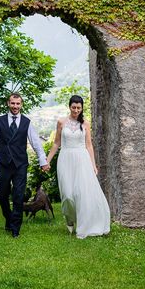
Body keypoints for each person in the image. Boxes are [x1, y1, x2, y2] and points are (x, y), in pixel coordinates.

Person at [0, 93, 50, 238]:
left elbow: (36, 143)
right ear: (8, 103)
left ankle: (15, 228)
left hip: (20, 164)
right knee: (2, 194)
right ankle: (8, 218)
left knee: (18, 195)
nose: (15, 106)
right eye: (13, 103)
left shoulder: (27, 122)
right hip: (3, 163)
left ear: (21, 105)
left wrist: (43, 161)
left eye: (18, 104)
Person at [46, 95, 110, 238]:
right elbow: (56, 143)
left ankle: (84, 224)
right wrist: (47, 161)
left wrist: (93, 165)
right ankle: (69, 219)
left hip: (82, 160)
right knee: (67, 194)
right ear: (69, 107)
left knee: (80, 194)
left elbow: (89, 145)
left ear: (82, 108)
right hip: (65, 159)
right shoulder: (61, 122)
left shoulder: (85, 124)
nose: (76, 110)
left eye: (78, 108)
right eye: (73, 107)